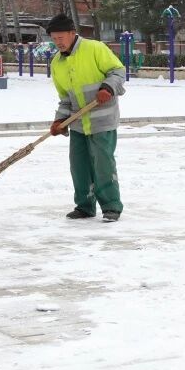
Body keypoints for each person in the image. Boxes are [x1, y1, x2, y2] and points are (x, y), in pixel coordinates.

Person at [46, 14, 126, 222]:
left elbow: (118, 71)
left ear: (72, 33)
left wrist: (108, 87)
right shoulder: (57, 64)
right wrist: (59, 121)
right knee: (78, 166)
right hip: (78, 124)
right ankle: (85, 206)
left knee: (103, 165)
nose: (58, 42)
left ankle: (111, 206)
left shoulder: (95, 48)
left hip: (102, 120)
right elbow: (65, 99)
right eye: (54, 39)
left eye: (61, 37)